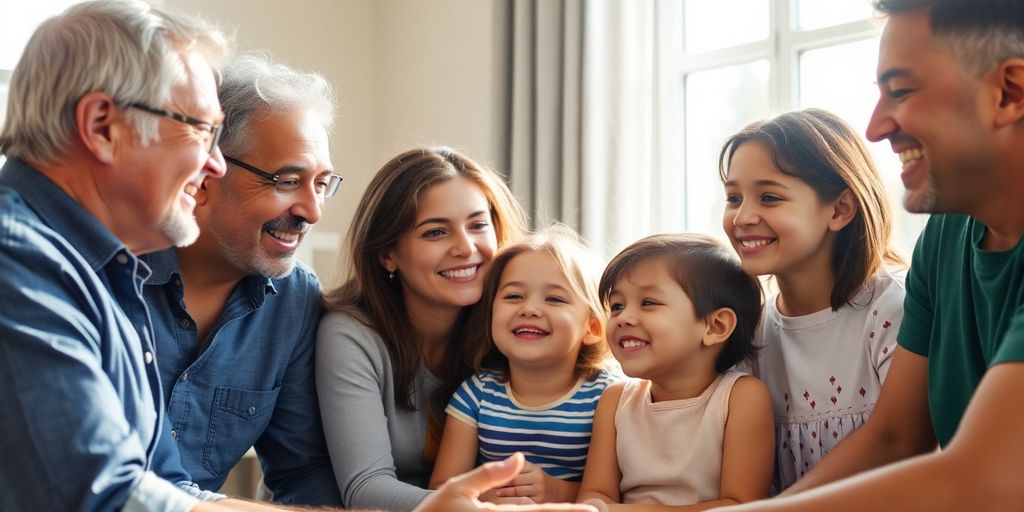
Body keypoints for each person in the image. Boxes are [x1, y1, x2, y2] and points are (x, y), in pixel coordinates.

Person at [712, 0, 1024, 510]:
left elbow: (982, 479)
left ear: (1009, 92)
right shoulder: (944, 239)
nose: (876, 127)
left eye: (900, 91)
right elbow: (894, 437)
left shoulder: (887, 300)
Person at [141, 54, 341, 504]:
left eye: (322, 183)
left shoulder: (294, 299)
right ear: (206, 172)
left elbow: (302, 470)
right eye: (287, 181)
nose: (312, 211)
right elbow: (134, 488)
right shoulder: (109, 278)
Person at [317, 146, 529, 510]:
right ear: (387, 254)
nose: (466, 248)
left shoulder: (513, 329)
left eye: (478, 225)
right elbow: (365, 489)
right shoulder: (349, 334)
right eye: (435, 233)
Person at [718, 108, 907, 492]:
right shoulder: (750, 328)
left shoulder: (892, 307)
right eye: (733, 197)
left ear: (839, 210)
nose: (742, 217)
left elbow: (899, 442)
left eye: (769, 197)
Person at [577, 234, 774, 510]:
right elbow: (594, 496)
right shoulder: (615, 400)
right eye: (618, 306)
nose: (623, 318)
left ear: (715, 326)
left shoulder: (741, 398)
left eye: (648, 302)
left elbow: (740, 506)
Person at [430, 225, 618, 504]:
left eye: (554, 299)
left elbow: (616, 497)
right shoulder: (476, 394)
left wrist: (554, 491)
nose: (529, 309)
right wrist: (488, 496)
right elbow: (442, 488)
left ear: (592, 327)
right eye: (513, 296)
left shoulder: (608, 396)